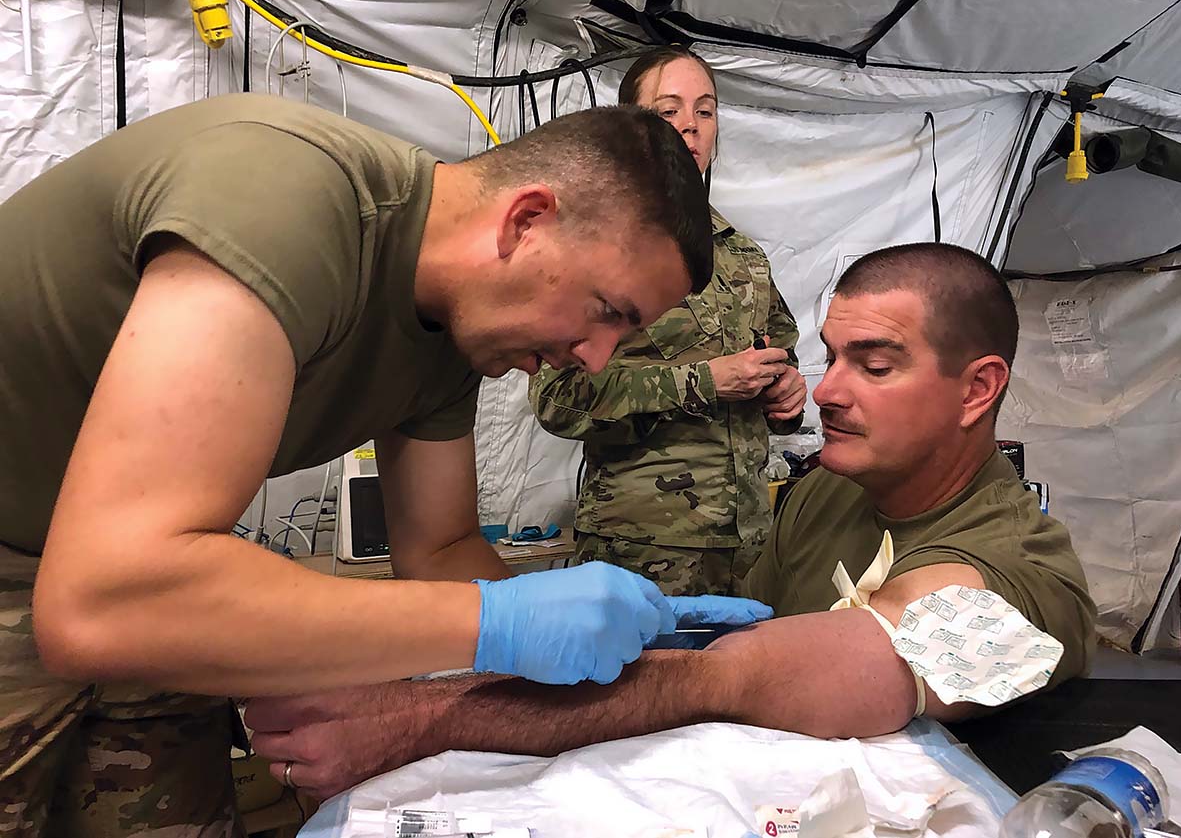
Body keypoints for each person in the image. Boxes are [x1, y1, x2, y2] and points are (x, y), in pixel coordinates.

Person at [0, 93, 774, 836]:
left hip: (130, 586)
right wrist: (498, 623)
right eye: (608, 312)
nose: (597, 357)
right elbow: (104, 602)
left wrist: (610, 646)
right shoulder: (283, 200)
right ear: (527, 220)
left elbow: (437, 549)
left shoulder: (451, 332)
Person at [245, 242, 1098, 802]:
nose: (828, 390)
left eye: (874, 364)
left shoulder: (1022, 585)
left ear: (978, 388)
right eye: (830, 357)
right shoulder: (828, 491)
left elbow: (755, 675)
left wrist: (425, 714)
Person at [529, 47, 808, 596]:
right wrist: (705, 382)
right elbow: (557, 399)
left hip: (748, 544)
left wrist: (787, 394)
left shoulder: (742, 255)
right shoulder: (592, 250)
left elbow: (780, 354)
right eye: (668, 111)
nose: (691, 126)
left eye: (705, 112)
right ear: (631, 129)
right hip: (641, 546)